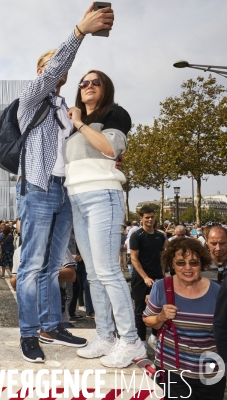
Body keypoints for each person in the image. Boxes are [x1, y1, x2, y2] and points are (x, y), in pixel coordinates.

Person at [15, 5, 112, 362]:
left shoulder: (66, 112)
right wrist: (79, 32)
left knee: (53, 265)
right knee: (30, 264)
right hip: (38, 188)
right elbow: (55, 65)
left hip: (64, 191)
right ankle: (28, 334)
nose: (60, 69)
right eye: (53, 65)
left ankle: (51, 324)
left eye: (63, 66)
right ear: (42, 71)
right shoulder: (31, 98)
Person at [64, 70, 145, 367]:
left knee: (109, 271)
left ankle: (131, 341)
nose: (87, 86)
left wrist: (80, 124)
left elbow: (112, 148)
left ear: (105, 88)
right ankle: (106, 336)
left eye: (94, 82)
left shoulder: (114, 113)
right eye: (83, 83)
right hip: (77, 200)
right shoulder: (74, 127)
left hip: (102, 196)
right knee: (95, 274)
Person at [144, 238, 225, 398]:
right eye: (180, 263)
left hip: (211, 373)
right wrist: (161, 316)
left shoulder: (218, 292)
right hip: (173, 372)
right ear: (172, 264)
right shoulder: (161, 287)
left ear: (202, 263)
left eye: (194, 263)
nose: (187, 268)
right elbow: (147, 319)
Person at [130, 206, 167, 349]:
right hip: (141, 279)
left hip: (157, 277)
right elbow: (134, 259)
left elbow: (162, 255)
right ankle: (142, 342)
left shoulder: (160, 236)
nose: (150, 219)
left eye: (152, 216)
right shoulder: (136, 236)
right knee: (140, 310)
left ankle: (153, 337)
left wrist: (163, 271)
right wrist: (145, 277)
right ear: (141, 218)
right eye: (147, 217)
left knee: (158, 308)